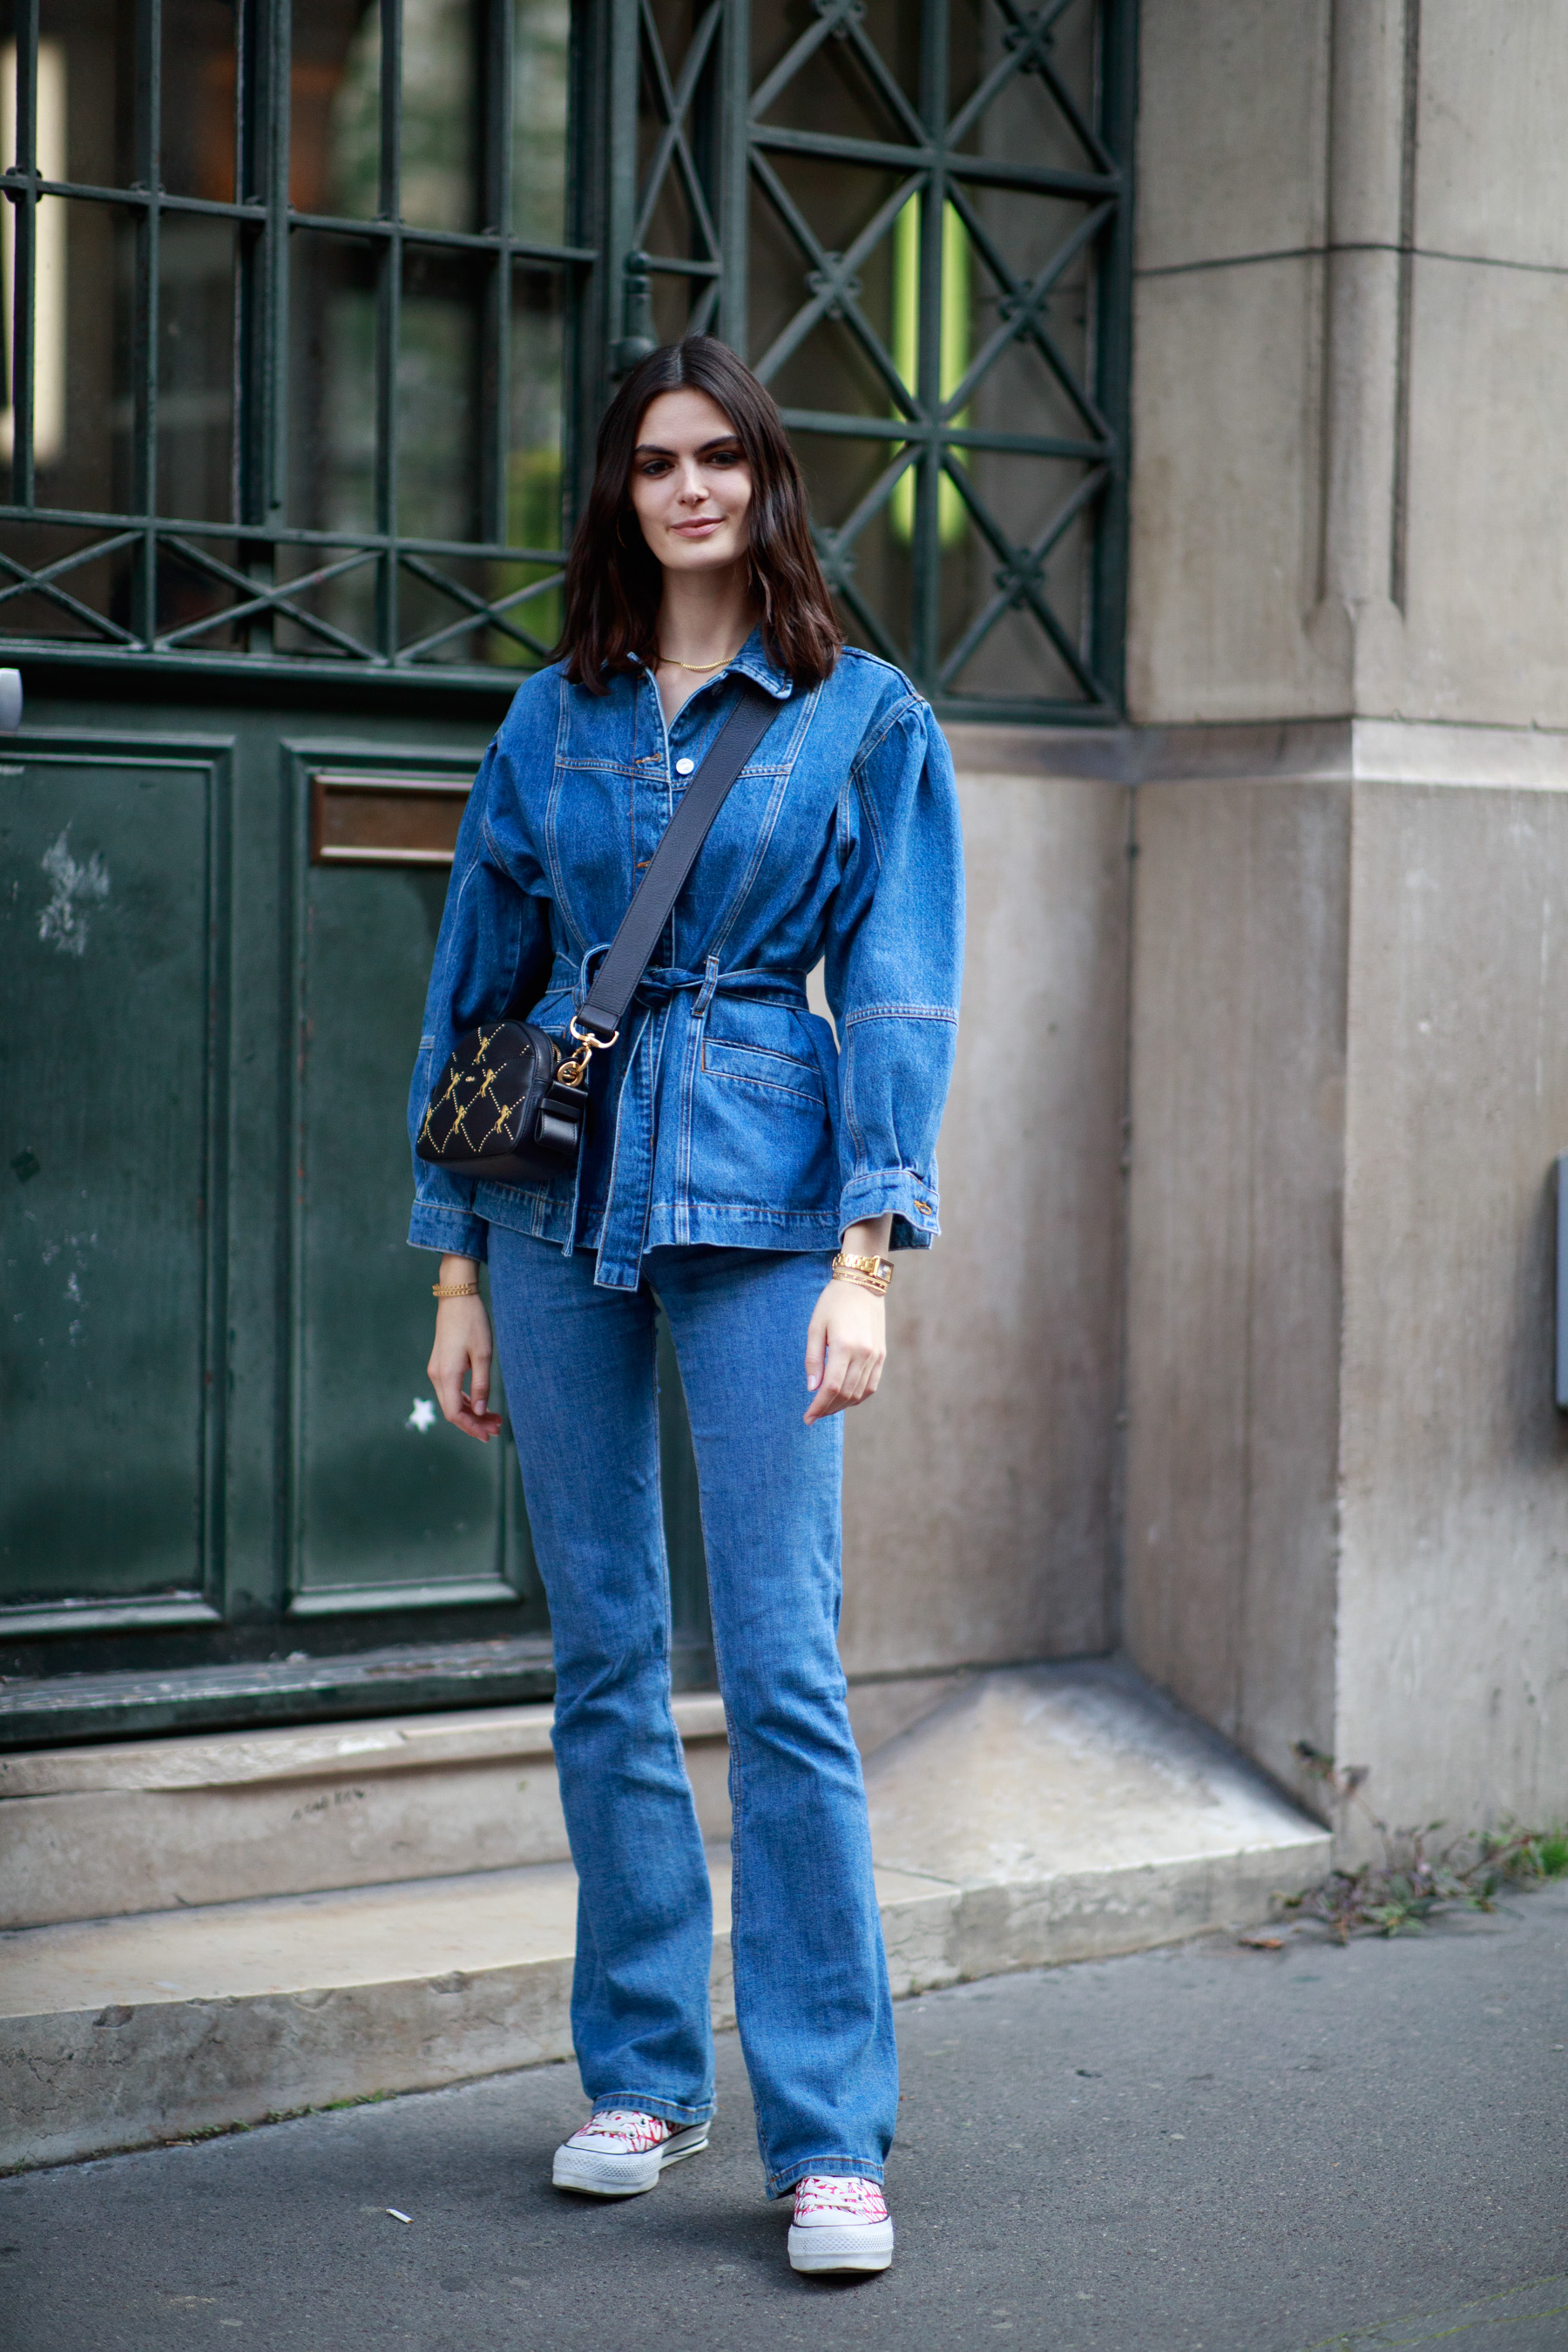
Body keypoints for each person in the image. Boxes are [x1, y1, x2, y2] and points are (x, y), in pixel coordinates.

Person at [407, 335, 963, 2277]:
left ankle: (830, 2136)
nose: (693, 487)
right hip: (553, 1219)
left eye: (723, 456)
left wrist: (868, 1259)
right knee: (603, 1660)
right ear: (622, 493)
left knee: (788, 1681)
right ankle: (643, 2074)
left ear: (768, 481)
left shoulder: (859, 715)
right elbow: (477, 986)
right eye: (658, 460)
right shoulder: (546, 721)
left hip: (764, 1204)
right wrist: (455, 1266)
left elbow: (898, 984)